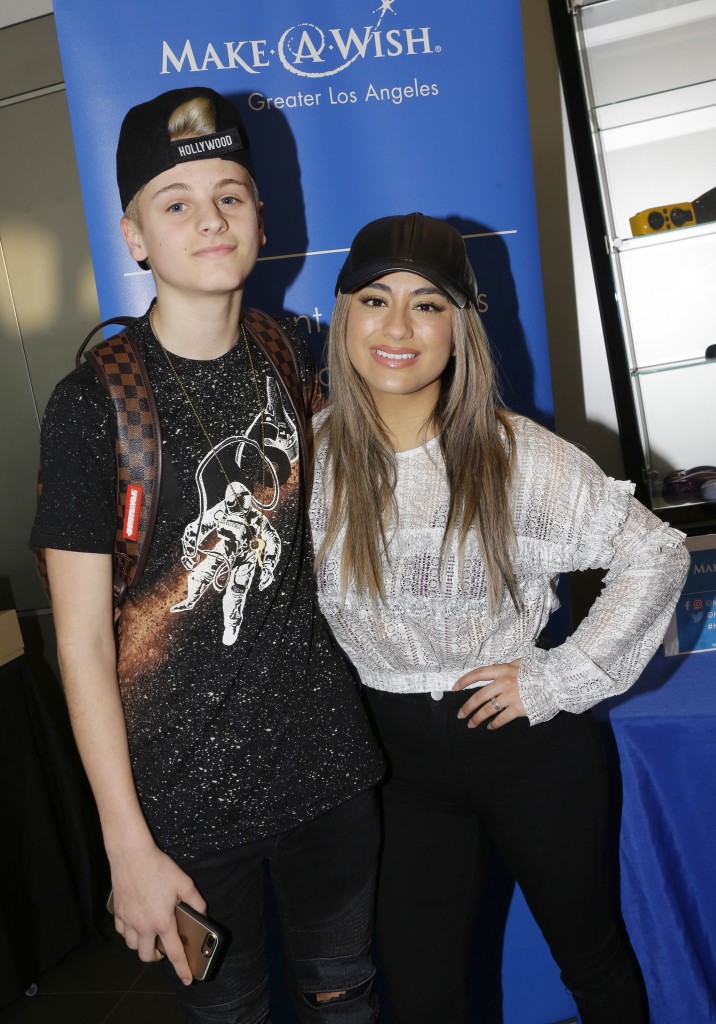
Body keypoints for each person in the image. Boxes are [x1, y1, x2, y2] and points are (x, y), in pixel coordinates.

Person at [30, 87, 384, 1023]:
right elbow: (79, 646)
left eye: (230, 193)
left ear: (262, 219)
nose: (210, 218)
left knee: (347, 1001)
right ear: (134, 235)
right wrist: (125, 846)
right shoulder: (92, 406)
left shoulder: (303, 355)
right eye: (176, 202)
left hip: (329, 777)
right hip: (182, 813)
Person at [309, 212, 690, 1024]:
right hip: (394, 771)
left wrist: (558, 676)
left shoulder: (518, 455)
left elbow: (655, 554)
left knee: (591, 963)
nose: (398, 327)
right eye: (374, 299)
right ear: (342, 315)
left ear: (461, 326)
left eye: (429, 304)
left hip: (532, 759)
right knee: (421, 994)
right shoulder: (307, 462)